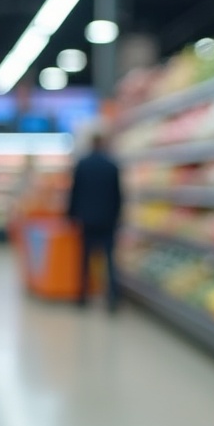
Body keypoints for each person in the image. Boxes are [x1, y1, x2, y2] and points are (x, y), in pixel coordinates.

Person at [67, 129, 123, 312]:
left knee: (84, 260)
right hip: (107, 220)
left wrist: (71, 215)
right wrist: (117, 218)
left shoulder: (83, 165)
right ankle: (112, 299)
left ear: (91, 144)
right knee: (109, 261)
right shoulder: (112, 166)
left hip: (87, 219)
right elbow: (118, 196)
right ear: (103, 144)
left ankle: (82, 297)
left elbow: (74, 192)